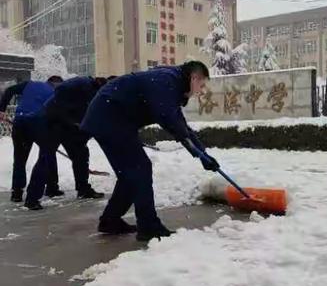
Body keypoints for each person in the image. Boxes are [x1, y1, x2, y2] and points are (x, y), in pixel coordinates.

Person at [81, 61, 220, 241]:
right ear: (194, 78)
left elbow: (181, 124)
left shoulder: (172, 83)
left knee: (131, 173)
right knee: (140, 169)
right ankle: (148, 226)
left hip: (112, 119)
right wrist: (197, 152)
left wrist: (203, 154)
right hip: (110, 118)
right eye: (201, 85)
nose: (200, 91)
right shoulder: (167, 81)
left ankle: (110, 220)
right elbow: (168, 117)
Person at [23, 76, 107, 210]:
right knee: (46, 158)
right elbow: (61, 88)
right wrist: (63, 111)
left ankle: (83, 189)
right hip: (52, 123)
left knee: (81, 153)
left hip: (68, 126)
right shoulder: (84, 83)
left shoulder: (96, 95)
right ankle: (32, 198)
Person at [0, 76, 64, 203]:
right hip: (38, 124)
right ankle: (51, 188)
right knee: (48, 154)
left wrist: (1, 109)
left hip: (20, 123)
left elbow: (9, 90)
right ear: (57, 84)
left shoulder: (30, 84)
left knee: (19, 159)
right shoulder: (56, 92)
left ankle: (17, 193)